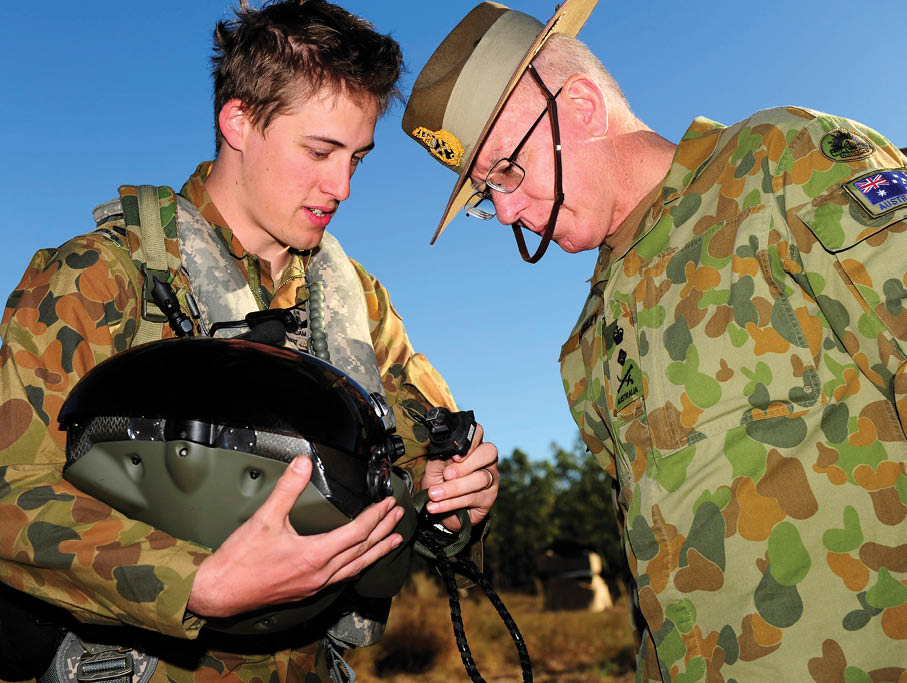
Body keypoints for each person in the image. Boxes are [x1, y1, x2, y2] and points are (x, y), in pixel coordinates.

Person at [402, 1, 907, 680]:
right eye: (484, 197)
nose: (506, 211)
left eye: (506, 172)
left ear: (579, 106)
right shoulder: (586, 344)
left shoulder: (777, 166)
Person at [0, 1, 498, 681]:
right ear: (237, 120)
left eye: (357, 156)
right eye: (319, 151)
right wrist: (192, 581)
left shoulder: (356, 305)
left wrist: (452, 500)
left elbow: (417, 475)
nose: (342, 185)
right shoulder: (101, 278)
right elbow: (9, 490)